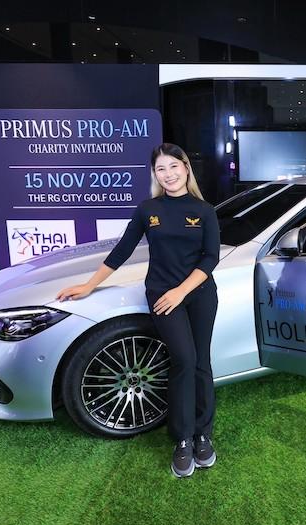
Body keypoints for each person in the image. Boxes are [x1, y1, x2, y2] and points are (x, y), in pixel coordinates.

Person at [57, 143, 220, 478]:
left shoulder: (204, 210)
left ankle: (202, 434)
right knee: (184, 360)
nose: (169, 174)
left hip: (199, 294)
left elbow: (210, 258)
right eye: (161, 169)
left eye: (174, 166)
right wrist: (89, 285)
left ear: (185, 168)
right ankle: (183, 439)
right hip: (162, 296)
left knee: (201, 362)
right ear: (155, 175)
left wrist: (182, 291)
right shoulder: (149, 209)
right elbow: (122, 250)